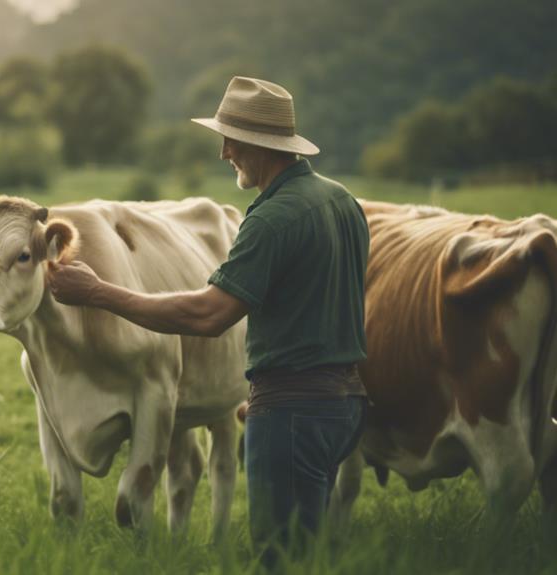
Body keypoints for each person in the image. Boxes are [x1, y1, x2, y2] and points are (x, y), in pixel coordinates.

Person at [46, 76, 369, 561]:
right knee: (310, 548)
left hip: (293, 412)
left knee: (278, 555)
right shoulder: (343, 202)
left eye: (231, 141)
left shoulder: (270, 220)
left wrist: (98, 292)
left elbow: (209, 313)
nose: (223, 154)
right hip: (344, 405)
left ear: (260, 144)